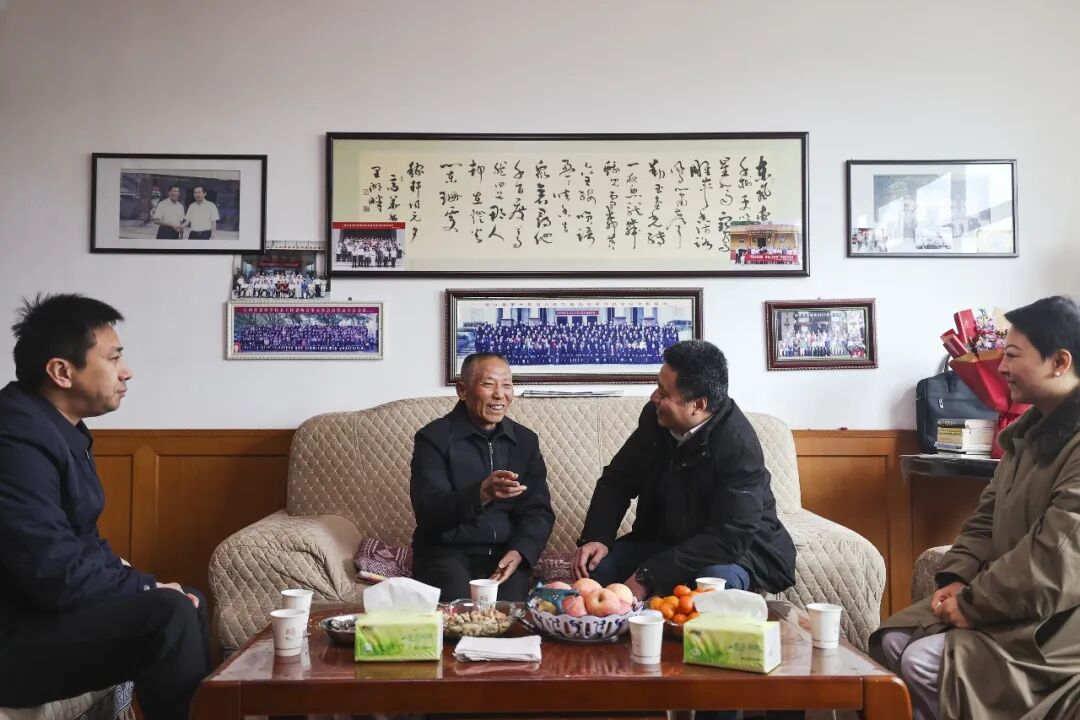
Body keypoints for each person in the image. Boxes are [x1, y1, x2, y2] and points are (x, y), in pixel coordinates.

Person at [0, 294, 210, 720]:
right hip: (14, 639)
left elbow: (84, 545)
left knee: (187, 601)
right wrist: (146, 590)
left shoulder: (59, 427)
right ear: (62, 371)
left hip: (41, 616)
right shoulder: (15, 438)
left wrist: (149, 585)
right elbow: (52, 568)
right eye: (113, 358)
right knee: (170, 614)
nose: (126, 371)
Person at [871, 295, 1080, 720]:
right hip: (1009, 602)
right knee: (891, 640)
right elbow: (984, 520)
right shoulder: (1025, 434)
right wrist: (958, 577)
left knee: (923, 662)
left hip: (1056, 623)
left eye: (1013, 355)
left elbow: (1054, 560)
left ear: (1059, 362)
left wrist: (973, 603)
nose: (1001, 367)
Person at [573, 339, 797, 600]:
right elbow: (617, 481)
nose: (654, 397)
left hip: (729, 551)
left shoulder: (739, 446)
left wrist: (649, 575)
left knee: (713, 587)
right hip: (663, 540)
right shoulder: (655, 417)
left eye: (664, 392)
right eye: (657, 385)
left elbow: (730, 536)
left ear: (698, 405)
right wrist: (597, 537)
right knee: (596, 574)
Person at [409, 352, 555, 602]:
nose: (499, 394)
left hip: (504, 553)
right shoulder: (433, 438)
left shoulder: (525, 441)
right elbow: (429, 512)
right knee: (460, 607)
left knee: (511, 611)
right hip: (445, 552)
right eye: (488, 384)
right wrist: (482, 494)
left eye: (506, 385)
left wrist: (521, 551)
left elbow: (538, 510)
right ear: (462, 390)